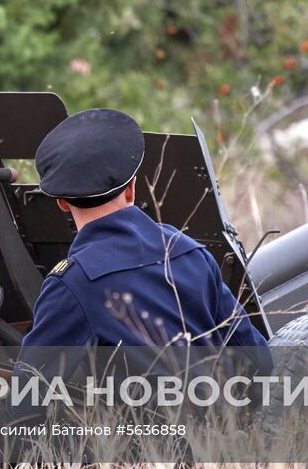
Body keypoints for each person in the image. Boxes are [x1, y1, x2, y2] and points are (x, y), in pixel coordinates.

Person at [22, 108, 269, 350]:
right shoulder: (191, 253)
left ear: (62, 203)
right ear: (131, 189)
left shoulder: (72, 285)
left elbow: (30, 387)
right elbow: (259, 359)